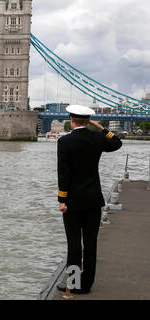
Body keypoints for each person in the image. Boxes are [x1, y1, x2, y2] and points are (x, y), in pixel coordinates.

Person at [56, 105, 122, 295]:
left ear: (71, 119)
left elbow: (64, 174)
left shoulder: (65, 142)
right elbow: (117, 143)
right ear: (88, 120)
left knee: (74, 244)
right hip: (94, 200)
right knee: (91, 243)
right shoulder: (96, 138)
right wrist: (100, 127)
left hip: (73, 203)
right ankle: (86, 285)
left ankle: (74, 284)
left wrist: (62, 200)